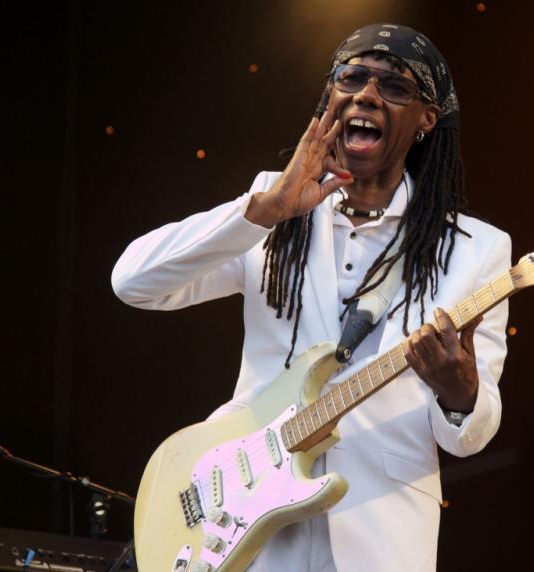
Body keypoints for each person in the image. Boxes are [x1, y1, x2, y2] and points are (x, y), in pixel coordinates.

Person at [112, 23, 510, 572]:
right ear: (330, 95)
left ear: (426, 118)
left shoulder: (475, 250)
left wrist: (458, 390)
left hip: (379, 539)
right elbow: (133, 283)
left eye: (395, 86)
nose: (367, 94)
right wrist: (264, 210)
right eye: (352, 78)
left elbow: (469, 436)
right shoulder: (275, 209)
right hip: (250, 528)